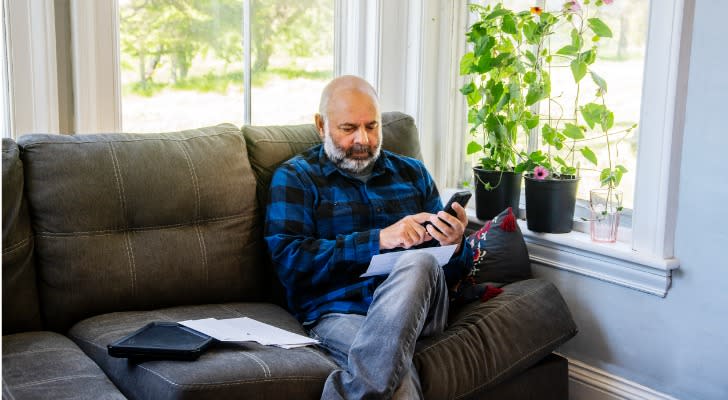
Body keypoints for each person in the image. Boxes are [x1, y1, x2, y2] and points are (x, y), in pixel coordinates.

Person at [264, 75, 473, 399]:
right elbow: (290, 262)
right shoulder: (296, 177)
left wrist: (454, 244)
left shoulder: (413, 173)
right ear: (321, 125)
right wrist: (378, 239)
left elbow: (449, 271)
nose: (363, 139)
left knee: (419, 263)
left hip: (422, 309)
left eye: (372, 126)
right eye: (348, 129)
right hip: (339, 311)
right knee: (399, 383)